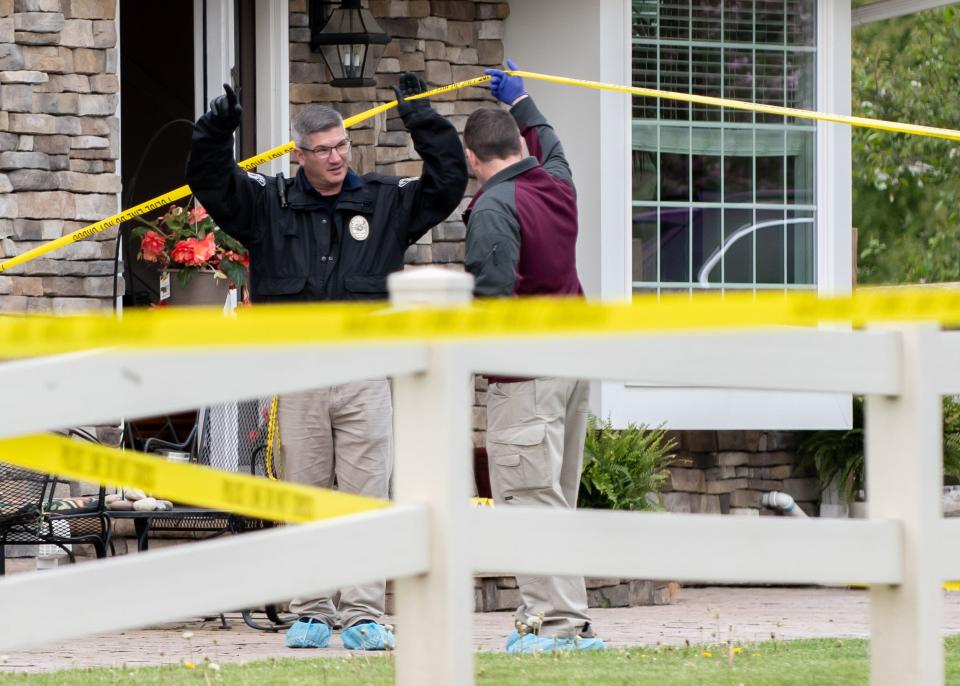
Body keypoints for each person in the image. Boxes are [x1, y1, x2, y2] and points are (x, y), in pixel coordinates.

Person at [186, 73, 468, 651]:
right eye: (323, 151)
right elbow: (210, 181)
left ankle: (364, 612)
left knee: (366, 496)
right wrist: (219, 128)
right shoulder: (267, 205)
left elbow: (448, 183)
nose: (336, 158)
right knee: (306, 492)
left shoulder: (386, 203)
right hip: (300, 377)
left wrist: (421, 117)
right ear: (299, 155)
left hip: (367, 376)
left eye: (341, 146)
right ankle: (311, 610)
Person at [462, 60, 605, 654]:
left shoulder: (493, 210)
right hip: (572, 368)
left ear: (472, 159)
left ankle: (561, 626)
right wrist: (523, 100)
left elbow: (492, 306)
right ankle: (538, 616)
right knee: (554, 495)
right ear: (519, 144)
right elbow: (552, 144)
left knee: (531, 499)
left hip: (527, 377)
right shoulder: (558, 183)